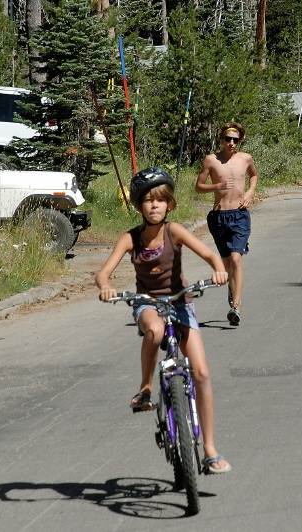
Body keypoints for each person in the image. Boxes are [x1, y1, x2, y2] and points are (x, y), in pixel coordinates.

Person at [96, 167, 232, 474]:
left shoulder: (176, 231)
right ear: (138, 205)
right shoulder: (130, 238)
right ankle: (145, 387)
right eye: (147, 200)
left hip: (180, 301)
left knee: (201, 373)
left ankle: (210, 450)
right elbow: (102, 272)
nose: (154, 206)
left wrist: (217, 269)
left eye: (160, 200)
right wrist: (105, 287)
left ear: (169, 204)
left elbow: (209, 256)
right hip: (147, 303)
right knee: (155, 331)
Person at [195, 122, 258, 326]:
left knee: (236, 259)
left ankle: (236, 307)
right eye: (228, 139)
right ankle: (232, 287)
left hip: (240, 216)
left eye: (235, 140)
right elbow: (199, 187)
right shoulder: (211, 160)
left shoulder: (245, 158)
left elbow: (254, 176)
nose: (231, 143)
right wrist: (217, 185)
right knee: (227, 265)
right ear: (221, 139)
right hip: (219, 216)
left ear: (240, 141)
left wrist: (249, 193)